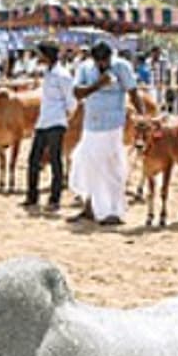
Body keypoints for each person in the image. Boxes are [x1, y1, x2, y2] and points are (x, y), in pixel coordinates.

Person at [69, 42, 145, 226]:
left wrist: (143, 118)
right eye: (100, 62)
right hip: (90, 125)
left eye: (106, 60)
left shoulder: (121, 67)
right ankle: (90, 207)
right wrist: (98, 84)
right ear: (94, 60)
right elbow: (77, 93)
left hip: (112, 126)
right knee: (85, 165)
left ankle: (113, 211)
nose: (103, 64)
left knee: (110, 169)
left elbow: (133, 93)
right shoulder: (85, 68)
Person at [23, 41, 77, 213]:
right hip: (43, 121)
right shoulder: (47, 74)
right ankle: (32, 196)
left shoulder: (62, 75)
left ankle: (54, 199)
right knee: (33, 160)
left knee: (55, 161)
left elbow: (71, 100)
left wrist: (66, 116)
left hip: (56, 121)